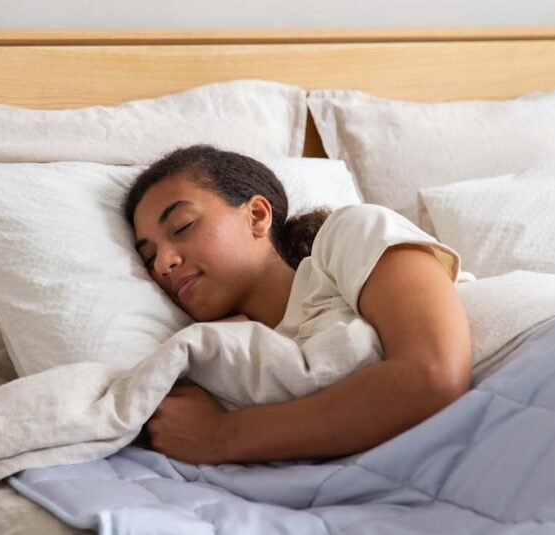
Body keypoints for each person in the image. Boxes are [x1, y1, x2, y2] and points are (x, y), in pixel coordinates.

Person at [125, 145, 471, 465]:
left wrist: (223, 434)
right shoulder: (222, 359)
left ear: (257, 216)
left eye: (182, 226)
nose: (162, 264)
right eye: (149, 256)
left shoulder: (350, 234)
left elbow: (433, 373)